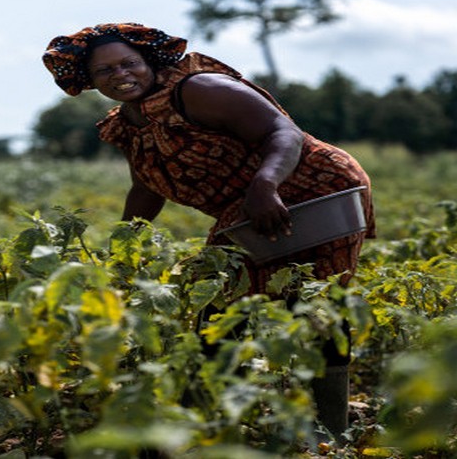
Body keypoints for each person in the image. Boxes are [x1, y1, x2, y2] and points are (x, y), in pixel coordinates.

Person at [42, 22, 376, 442]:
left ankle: (332, 428)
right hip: (249, 202)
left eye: (129, 63)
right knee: (217, 301)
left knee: (319, 300)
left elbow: (283, 133)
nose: (121, 75)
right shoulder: (128, 122)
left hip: (314, 185)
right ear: (88, 80)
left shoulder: (200, 89)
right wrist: (125, 245)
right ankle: (211, 424)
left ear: (150, 61)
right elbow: (145, 186)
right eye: (105, 71)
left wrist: (265, 185)